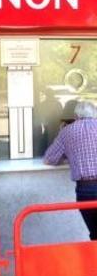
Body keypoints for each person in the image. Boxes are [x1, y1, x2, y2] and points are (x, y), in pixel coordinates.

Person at [45, 100, 97, 240]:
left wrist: (69, 154)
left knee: (95, 232)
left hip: (86, 189)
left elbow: (49, 158)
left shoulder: (67, 131)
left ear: (76, 116)